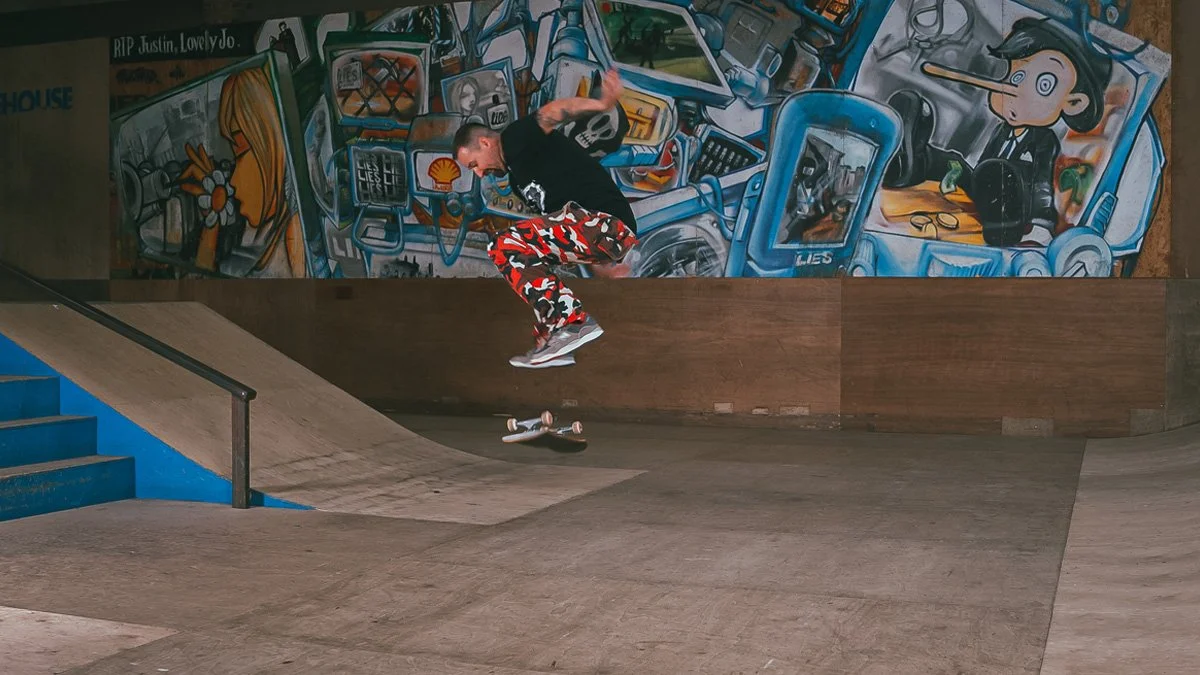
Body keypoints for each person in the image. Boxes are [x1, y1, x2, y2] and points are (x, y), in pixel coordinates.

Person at [453, 68, 639, 369]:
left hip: (607, 221)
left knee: (503, 245)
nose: (478, 173)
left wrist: (602, 104)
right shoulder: (519, 181)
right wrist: (601, 265)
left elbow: (553, 113)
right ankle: (554, 340)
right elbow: (560, 233)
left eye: (474, 163)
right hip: (596, 233)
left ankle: (574, 323)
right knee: (525, 264)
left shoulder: (514, 138)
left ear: (486, 143)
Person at [882, 17, 1112, 247]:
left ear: (1073, 103)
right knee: (954, 163)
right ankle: (912, 161)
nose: (1014, 89)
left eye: (1043, 84)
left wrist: (1039, 227)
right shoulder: (1002, 130)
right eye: (1017, 76)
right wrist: (965, 178)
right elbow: (984, 166)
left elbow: (1041, 184)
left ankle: (999, 226)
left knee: (1001, 175)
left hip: (1010, 208)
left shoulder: (1043, 140)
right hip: (986, 188)